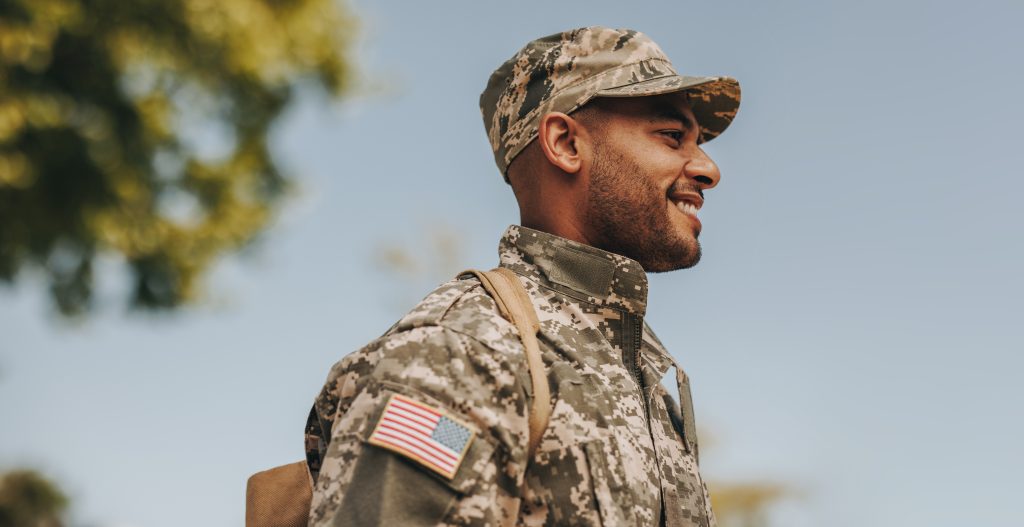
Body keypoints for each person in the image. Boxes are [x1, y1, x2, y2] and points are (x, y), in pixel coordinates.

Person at [304, 26, 741, 527]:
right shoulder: (458, 356)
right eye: (672, 137)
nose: (708, 169)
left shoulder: (646, 381)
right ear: (565, 143)